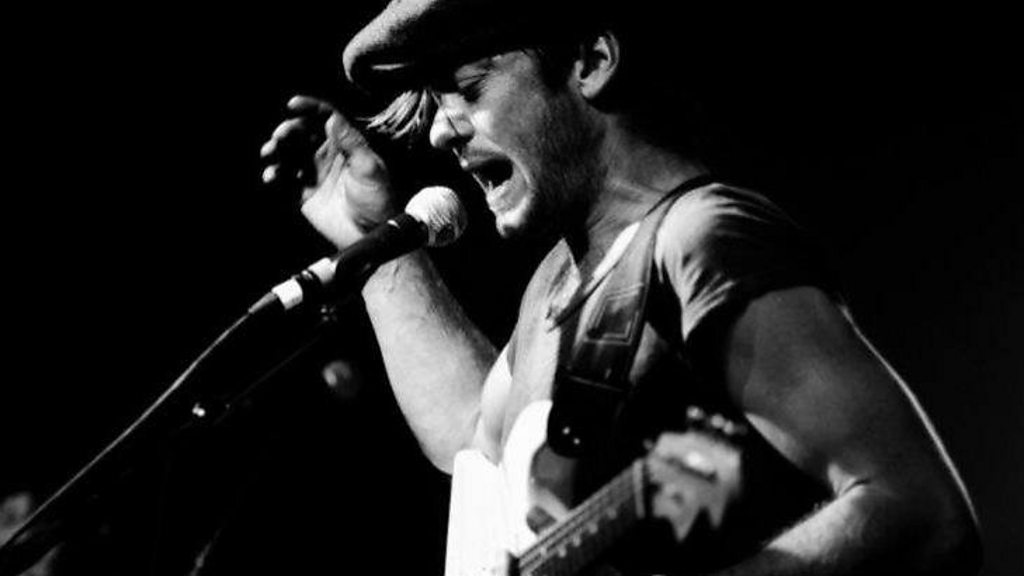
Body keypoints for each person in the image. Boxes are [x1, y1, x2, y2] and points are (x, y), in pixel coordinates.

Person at [260, 1, 981, 574]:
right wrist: (371, 241)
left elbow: (917, 509)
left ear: (591, 61)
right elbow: (475, 446)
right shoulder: (557, 279)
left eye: (469, 90)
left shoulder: (700, 237)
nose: (441, 134)